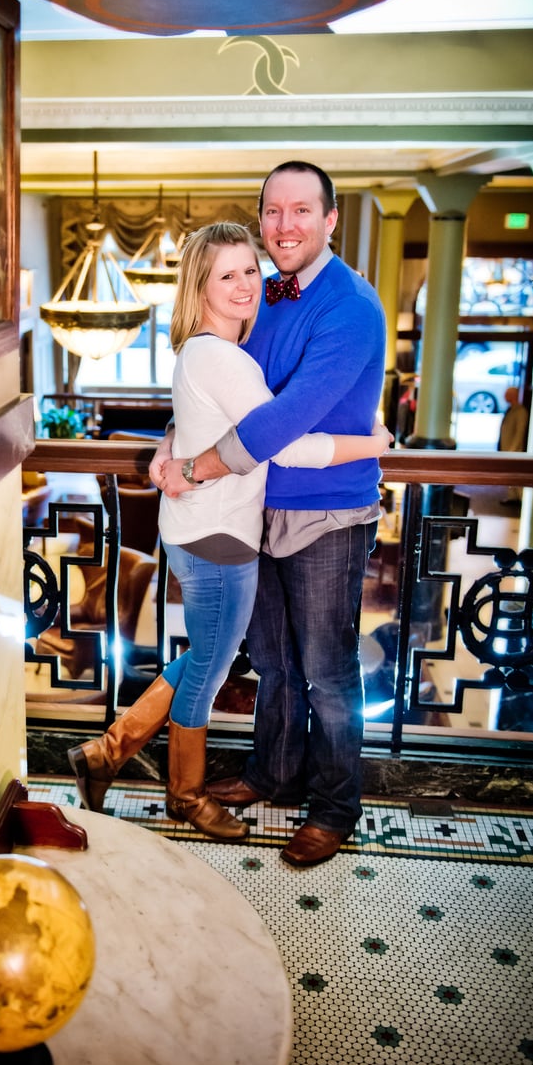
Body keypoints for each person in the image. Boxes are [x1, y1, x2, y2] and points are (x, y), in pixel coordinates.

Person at [68, 222, 391, 842]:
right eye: (228, 275)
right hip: (218, 535)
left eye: (250, 270)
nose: (247, 285)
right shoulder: (220, 357)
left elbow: (196, 421)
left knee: (205, 656)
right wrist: (371, 443)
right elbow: (286, 447)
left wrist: (169, 445)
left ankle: (108, 751)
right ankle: (184, 796)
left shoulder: (207, 350)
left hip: (202, 529)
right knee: (209, 671)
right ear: (200, 287)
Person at [152, 161, 387, 868]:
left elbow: (281, 422)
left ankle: (335, 807)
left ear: (330, 220)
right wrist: (170, 443)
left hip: (326, 510)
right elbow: (213, 390)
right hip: (256, 509)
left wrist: (195, 468)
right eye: (273, 212)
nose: (285, 226)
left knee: (327, 673)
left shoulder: (351, 306)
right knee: (274, 664)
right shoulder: (261, 295)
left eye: (301, 210)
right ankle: (271, 774)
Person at [498, 386, 529, 506]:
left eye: (507, 394)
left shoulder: (520, 412)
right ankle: (513, 497)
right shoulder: (511, 410)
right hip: (507, 448)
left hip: (514, 450)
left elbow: (520, 433)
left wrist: (513, 449)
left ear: (513, 396)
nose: (504, 396)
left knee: (517, 475)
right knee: (509, 475)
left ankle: (522, 499)